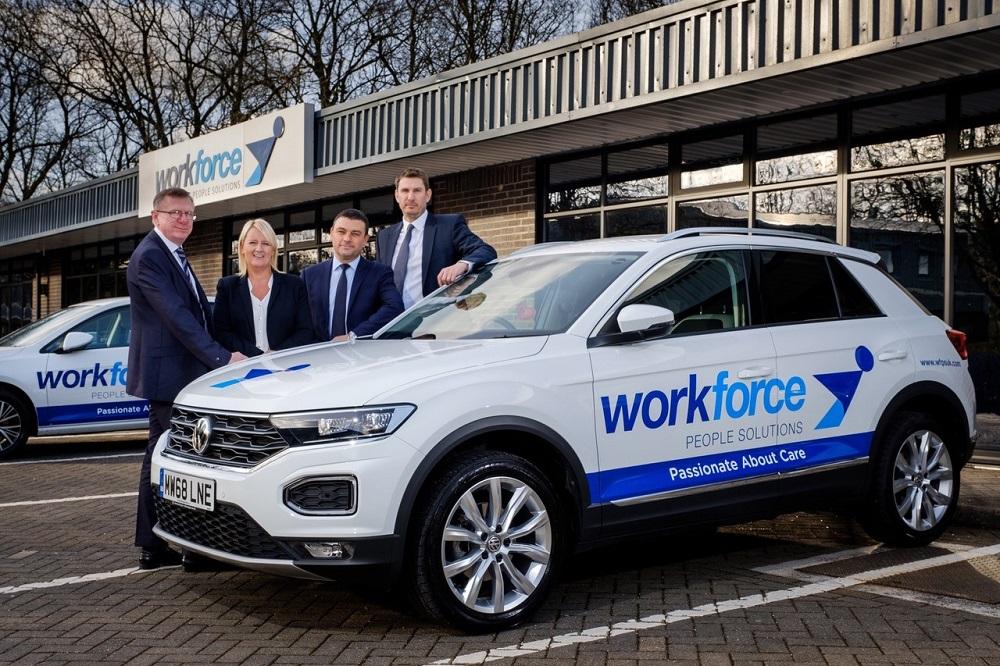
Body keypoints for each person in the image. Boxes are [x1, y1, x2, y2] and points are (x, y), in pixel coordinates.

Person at [126, 187, 246, 570]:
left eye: (189, 214)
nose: (183, 220)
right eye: (175, 212)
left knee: (158, 458)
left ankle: (153, 544)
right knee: (183, 463)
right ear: (155, 216)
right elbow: (176, 317)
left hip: (176, 375)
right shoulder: (150, 257)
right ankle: (191, 549)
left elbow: (197, 313)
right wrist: (220, 358)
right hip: (169, 377)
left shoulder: (173, 255)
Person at [376, 167, 497, 309]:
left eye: (417, 190)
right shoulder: (384, 237)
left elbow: (485, 250)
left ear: (427, 195)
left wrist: (461, 265)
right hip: (391, 323)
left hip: (434, 321)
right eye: (405, 191)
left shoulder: (449, 226)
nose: (410, 197)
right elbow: (379, 282)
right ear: (397, 196)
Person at [213, 218, 315, 356]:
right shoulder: (227, 287)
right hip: (242, 367)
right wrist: (257, 356)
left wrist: (275, 354)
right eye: (253, 243)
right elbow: (221, 332)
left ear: (273, 250)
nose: (259, 249)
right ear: (242, 247)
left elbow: (306, 331)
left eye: (266, 243)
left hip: (286, 367)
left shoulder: (294, 285)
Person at [303, 208, 403, 340]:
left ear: (365, 239)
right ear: (332, 233)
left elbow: (394, 307)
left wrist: (353, 336)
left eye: (355, 234)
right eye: (341, 232)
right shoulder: (309, 275)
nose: (347, 238)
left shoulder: (379, 273)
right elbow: (297, 317)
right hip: (317, 354)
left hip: (361, 354)